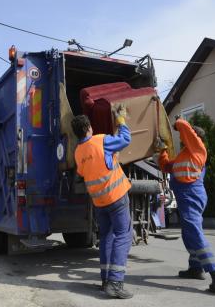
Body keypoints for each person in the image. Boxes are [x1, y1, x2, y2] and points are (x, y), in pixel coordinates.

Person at [156, 116, 215, 293]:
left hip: (192, 196)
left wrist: (178, 121)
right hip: (186, 198)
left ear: (195, 137)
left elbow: (183, 127)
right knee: (188, 234)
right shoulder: (184, 156)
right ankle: (195, 268)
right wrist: (162, 150)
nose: (182, 140)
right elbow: (166, 166)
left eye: (185, 137)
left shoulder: (198, 149)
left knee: (194, 232)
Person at [71, 107, 133, 299]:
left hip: (99, 202)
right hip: (116, 197)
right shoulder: (102, 140)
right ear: (89, 127)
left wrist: (109, 158)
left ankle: (106, 280)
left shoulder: (78, 152)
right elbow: (125, 139)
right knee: (123, 235)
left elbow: (83, 172)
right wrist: (120, 119)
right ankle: (115, 282)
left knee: (106, 237)